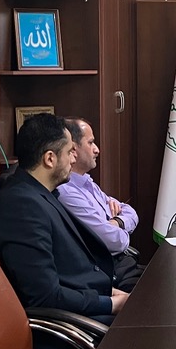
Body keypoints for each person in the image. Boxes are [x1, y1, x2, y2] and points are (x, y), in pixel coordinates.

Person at [0, 113, 129, 349]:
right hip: (65, 336)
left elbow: (68, 271)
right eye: (69, 152)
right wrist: (111, 303)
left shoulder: (39, 193)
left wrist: (109, 292)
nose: (74, 159)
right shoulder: (22, 206)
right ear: (50, 158)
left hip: (84, 310)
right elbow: (46, 295)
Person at [56, 117, 144, 291]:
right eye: (90, 143)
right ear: (73, 148)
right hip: (112, 273)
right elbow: (113, 241)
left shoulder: (87, 183)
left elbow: (130, 212)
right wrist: (119, 229)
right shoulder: (67, 192)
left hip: (125, 264)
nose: (97, 149)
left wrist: (117, 222)